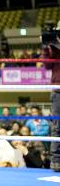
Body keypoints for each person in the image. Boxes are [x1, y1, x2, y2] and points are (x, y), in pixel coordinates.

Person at [42, 29, 60, 171]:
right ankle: (56, 161)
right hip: (58, 92)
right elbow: (47, 65)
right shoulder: (54, 49)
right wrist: (46, 47)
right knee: (57, 127)